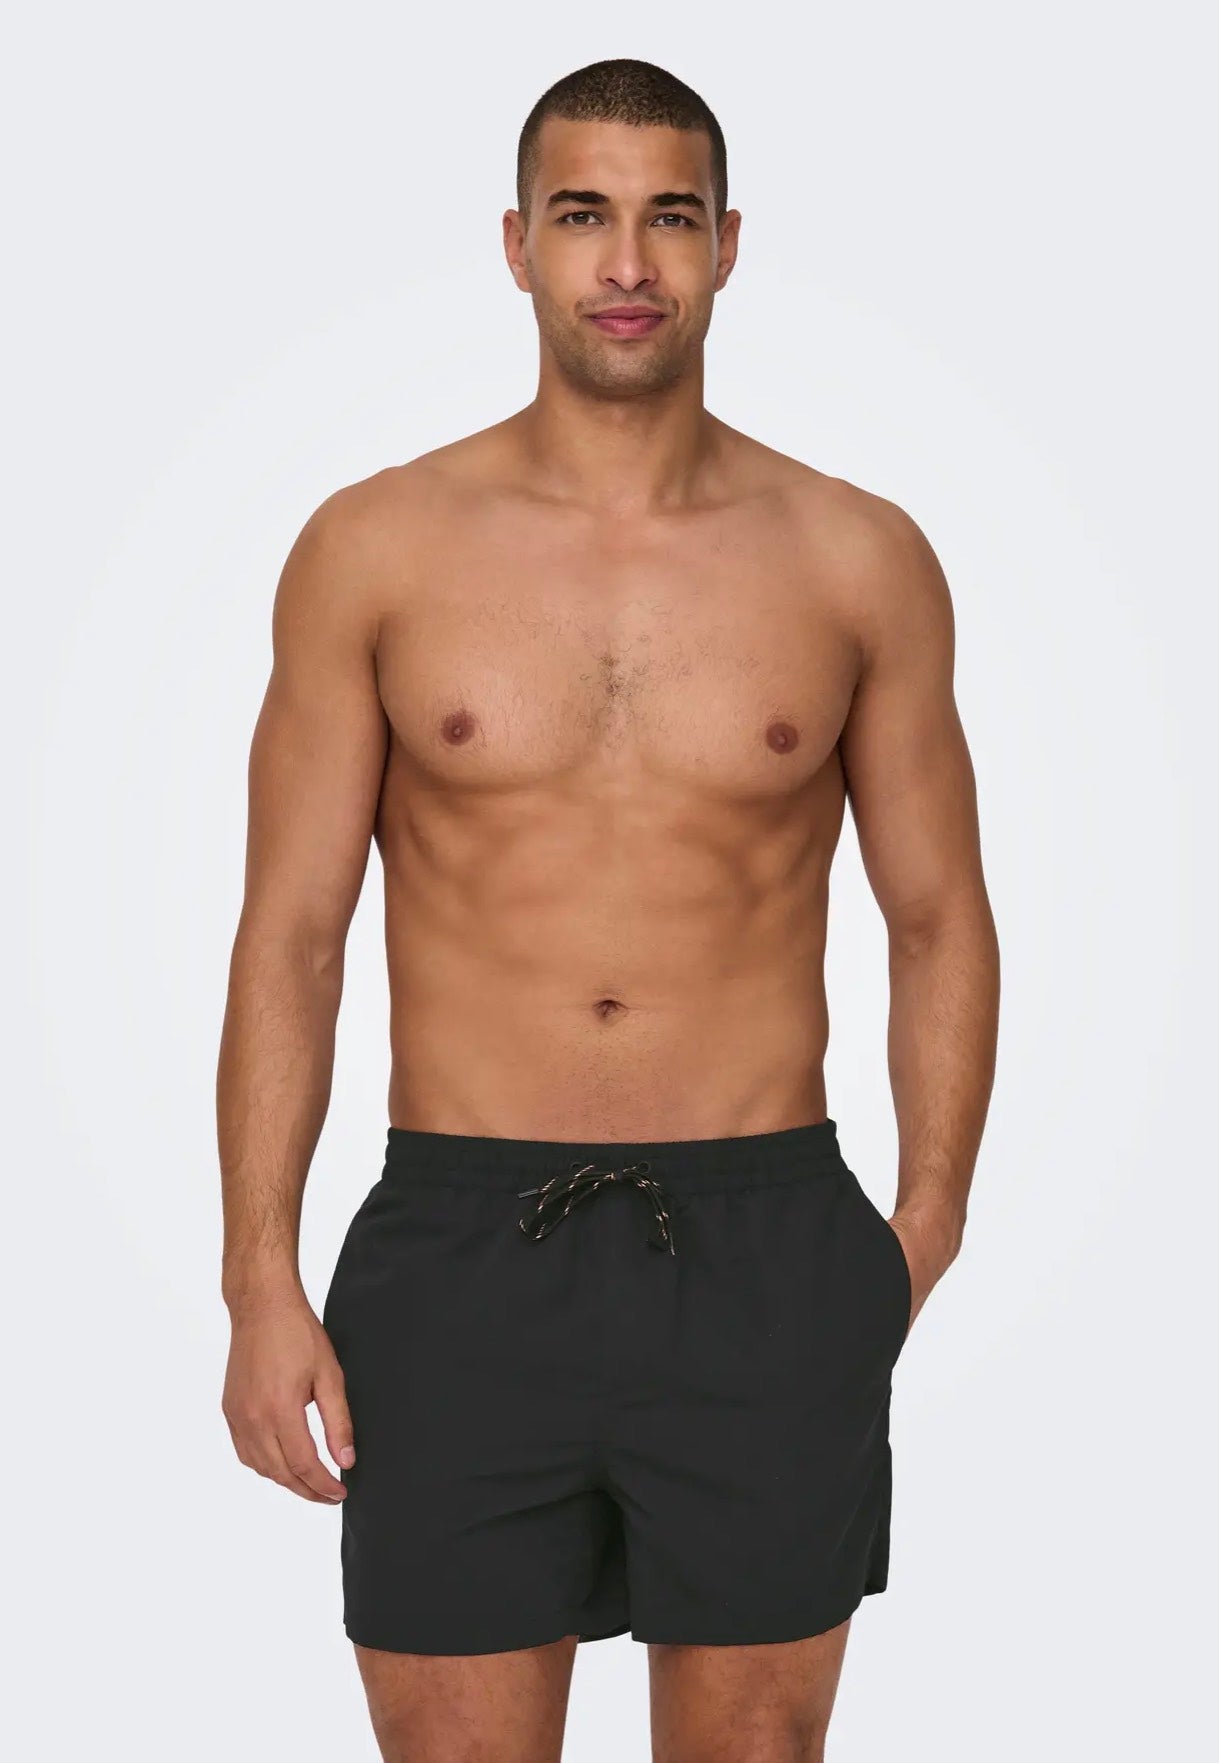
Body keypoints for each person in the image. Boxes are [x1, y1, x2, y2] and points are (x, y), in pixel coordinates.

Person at [217, 55, 1000, 1763]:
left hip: (769, 1245)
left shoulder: (857, 557)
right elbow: (293, 932)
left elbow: (939, 916)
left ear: (729, 245)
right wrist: (257, 1280)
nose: (627, 262)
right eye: (583, 215)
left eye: (670, 219)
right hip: (456, 1254)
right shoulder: (374, 548)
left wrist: (921, 1232)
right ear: (518, 245)